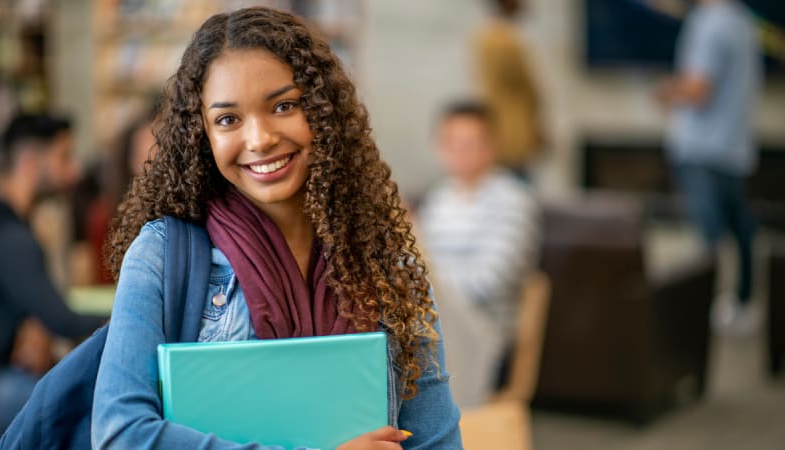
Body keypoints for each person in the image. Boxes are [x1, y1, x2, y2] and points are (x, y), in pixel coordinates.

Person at [92, 7, 462, 449]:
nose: (260, 138)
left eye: (283, 106)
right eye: (229, 119)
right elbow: (120, 435)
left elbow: (436, 440)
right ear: (202, 135)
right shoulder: (162, 256)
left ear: (323, 112)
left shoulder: (387, 263)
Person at [0, 113, 107, 438]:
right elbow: (62, 320)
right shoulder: (9, 236)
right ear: (29, 162)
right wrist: (131, 314)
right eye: (63, 157)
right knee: (90, 406)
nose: (75, 170)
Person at [416, 101, 540, 407]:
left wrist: (431, 288)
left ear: (491, 146)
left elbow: (489, 282)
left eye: (470, 143)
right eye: (451, 143)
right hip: (434, 317)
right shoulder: (439, 199)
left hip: (483, 326)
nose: (460, 152)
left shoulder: (512, 200)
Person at [656, 0, 762, 332]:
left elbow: (698, 88)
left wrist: (665, 91)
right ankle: (742, 302)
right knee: (740, 227)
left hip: (702, 148)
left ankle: (704, 314)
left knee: (709, 238)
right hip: (733, 146)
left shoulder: (709, 22)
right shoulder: (743, 22)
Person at [71, 111, 156, 285]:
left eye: (159, 149)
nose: (153, 160)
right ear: (129, 159)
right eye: (143, 152)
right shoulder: (104, 217)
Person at [472, 0, 545, 174]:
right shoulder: (503, 40)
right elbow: (523, 88)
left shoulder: (488, 36)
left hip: (504, 127)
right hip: (511, 130)